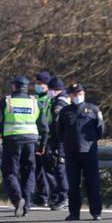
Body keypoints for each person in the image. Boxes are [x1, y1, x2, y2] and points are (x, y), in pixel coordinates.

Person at [0, 75, 48, 217]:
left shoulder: (7, 101)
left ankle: (17, 199)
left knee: (10, 172)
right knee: (29, 173)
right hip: (31, 142)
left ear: (14, 86)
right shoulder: (34, 102)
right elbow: (44, 127)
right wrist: (43, 145)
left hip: (12, 141)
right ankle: (26, 205)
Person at [57, 83, 105, 221]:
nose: (77, 96)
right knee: (73, 185)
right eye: (74, 94)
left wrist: (90, 142)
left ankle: (96, 212)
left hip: (89, 152)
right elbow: (60, 132)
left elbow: (100, 130)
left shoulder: (93, 109)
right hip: (71, 153)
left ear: (83, 93)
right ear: (70, 95)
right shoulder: (65, 111)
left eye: (79, 93)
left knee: (92, 183)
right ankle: (74, 213)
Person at [43, 76, 70, 210]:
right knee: (54, 168)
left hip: (58, 141)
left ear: (55, 89)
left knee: (59, 168)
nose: (48, 91)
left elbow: (56, 123)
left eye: (49, 89)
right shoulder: (58, 100)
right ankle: (58, 196)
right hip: (56, 140)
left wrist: (53, 138)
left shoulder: (59, 103)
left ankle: (64, 197)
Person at [33, 71, 53, 206]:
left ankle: (53, 195)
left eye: (40, 83)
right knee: (37, 169)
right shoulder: (33, 98)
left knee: (49, 169)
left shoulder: (50, 99)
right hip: (34, 136)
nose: (37, 85)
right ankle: (42, 196)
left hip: (48, 137)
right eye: (36, 83)